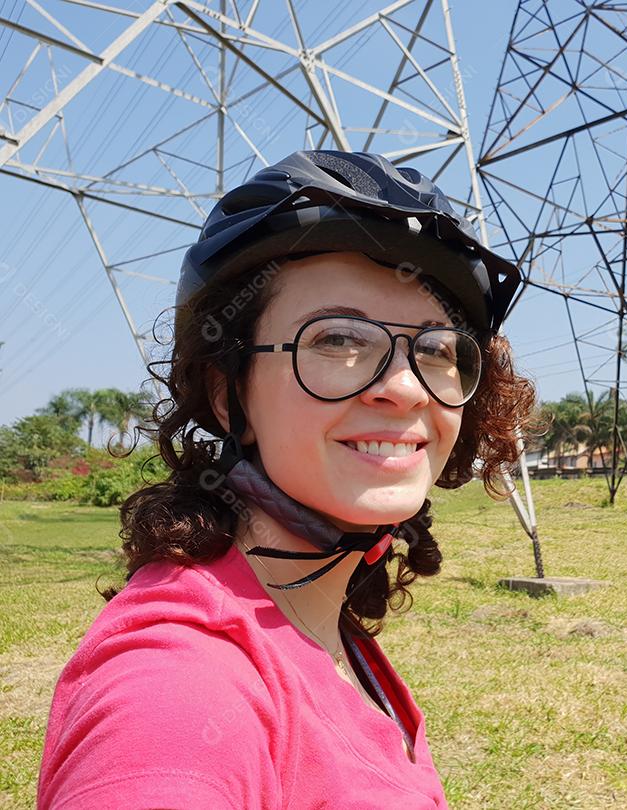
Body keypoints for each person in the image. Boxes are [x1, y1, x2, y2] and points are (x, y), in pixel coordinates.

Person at [36, 150, 536, 809]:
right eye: (337, 340)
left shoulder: (328, 633)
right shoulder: (179, 684)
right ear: (226, 393)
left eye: (436, 349)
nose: (405, 387)